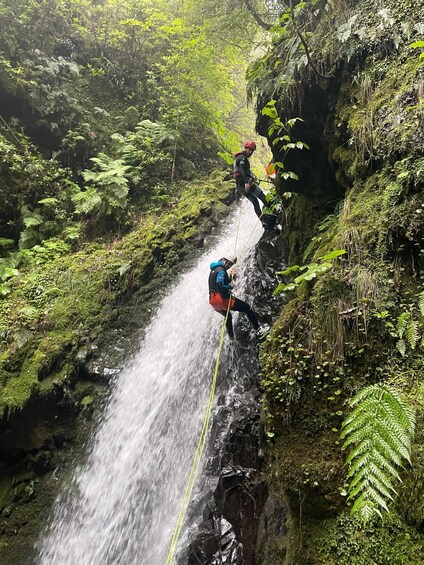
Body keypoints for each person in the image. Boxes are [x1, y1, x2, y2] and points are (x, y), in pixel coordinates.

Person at [209, 255, 260, 340]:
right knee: (247, 308)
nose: (229, 266)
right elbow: (220, 285)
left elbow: (219, 282)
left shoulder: (213, 270)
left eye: (231, 265)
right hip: (222, 300)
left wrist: (231, 277)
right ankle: (258, 329)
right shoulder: (221, 271)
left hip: (213, 302)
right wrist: (230, 286)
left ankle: (231, 337)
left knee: (228, 316)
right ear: (224, 260)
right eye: (229, 264)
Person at [233, 140, 268, 221]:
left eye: (252, 151)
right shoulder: (243, 158)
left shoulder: (237, 158)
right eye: (250, 150)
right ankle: (275, 213)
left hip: (240, 186)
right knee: (262, 196)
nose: (251, 152)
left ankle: (264, 222)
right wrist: (247, 183)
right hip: (246, 183)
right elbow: (242, 170)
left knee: (255, 202)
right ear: (247, 149)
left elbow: (242, 171)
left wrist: (252, 178)